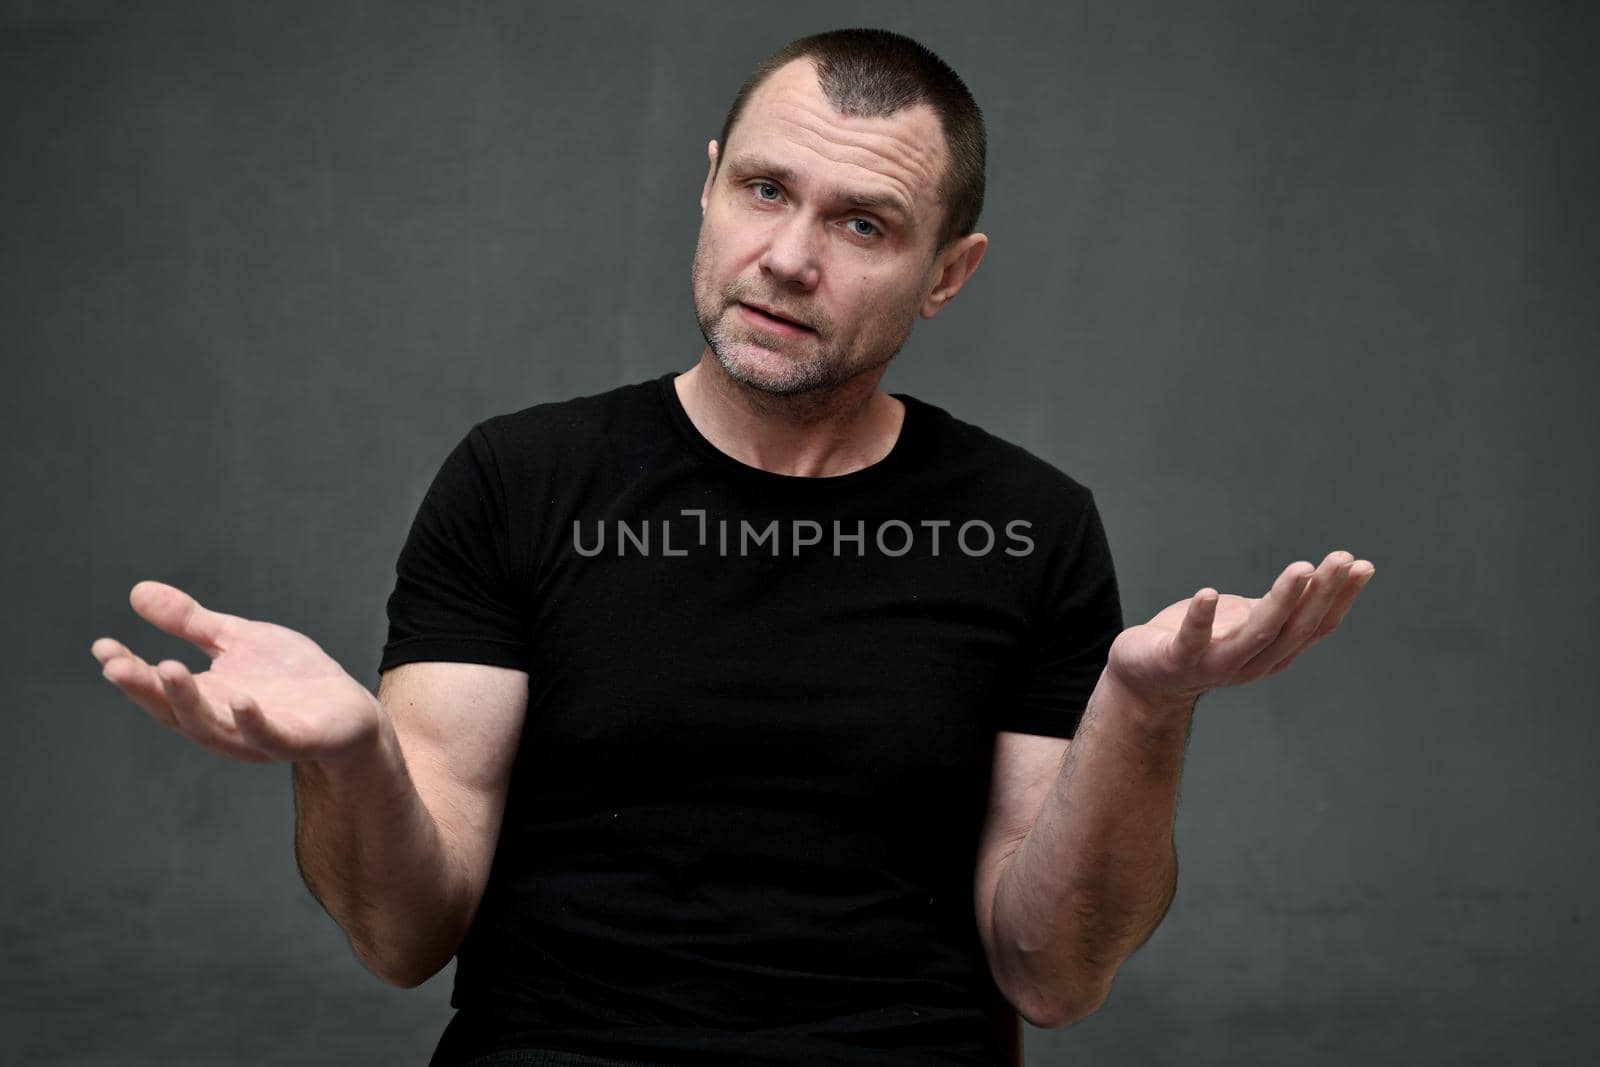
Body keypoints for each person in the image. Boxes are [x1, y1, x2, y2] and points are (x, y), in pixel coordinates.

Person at [90, 27, 1374, 1067]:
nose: (786, 258)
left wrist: (1143, 707)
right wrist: (349, 757)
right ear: (708, 182)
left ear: (948, 273)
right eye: (764, 189)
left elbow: (1052, 973)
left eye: (863, 224)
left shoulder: (1031, 522)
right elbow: (404, 935)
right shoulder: (520, 479)